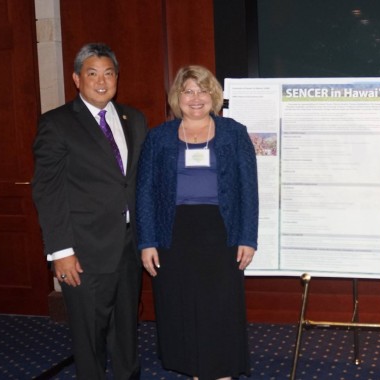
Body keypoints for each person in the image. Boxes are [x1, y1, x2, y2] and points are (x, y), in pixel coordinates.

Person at [32, 43, 148, 379]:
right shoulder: (56, 124)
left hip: (128, 246)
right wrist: (61, 252)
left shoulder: (133, 118)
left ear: (116, 78)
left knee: (127, 332)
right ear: (76, 79)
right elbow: (47, 190)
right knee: (89, 338)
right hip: (82, 251)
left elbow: (135, 182)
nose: (101, 81)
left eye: (108, 73)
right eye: (92, 73)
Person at [136, 65, 258, 379]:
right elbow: (145, 192)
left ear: (213, 95)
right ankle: (193, 368)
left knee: (219, 306)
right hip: (172, 232)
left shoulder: (234, 132)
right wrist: (146, 241)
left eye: (202, 90)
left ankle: (221, 370)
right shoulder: (159, 137)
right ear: (177, 96)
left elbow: (248, 189)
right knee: (179, 306)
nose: (195, 98)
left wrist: (248, 237)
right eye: (188, 90)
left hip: (221, 231)